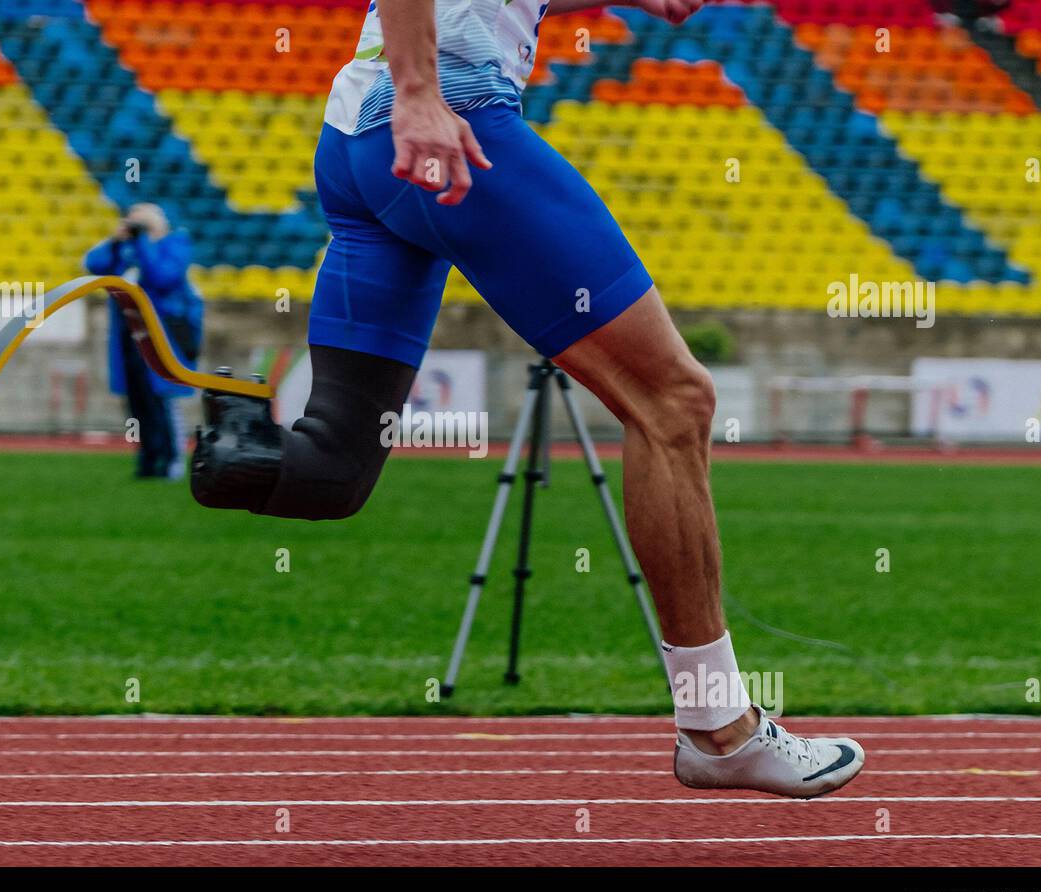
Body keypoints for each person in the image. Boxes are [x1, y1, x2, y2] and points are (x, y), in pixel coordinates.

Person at [190, 0, 865, 798]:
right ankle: (718, 727)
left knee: (329, 469)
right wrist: (417, 94)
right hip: (448, 120)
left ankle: (226, 432)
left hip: (356, 145)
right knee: (672, 403)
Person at [86, 203, 203, 479]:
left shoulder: (175, 244)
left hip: (163, 334)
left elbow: (162, 277)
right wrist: (117, 240)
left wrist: (146, 240)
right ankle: (148, 460)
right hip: (130, 335)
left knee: (162, 397)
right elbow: (95, 265)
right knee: (137, 399)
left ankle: (171, 460)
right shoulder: (129, 249)